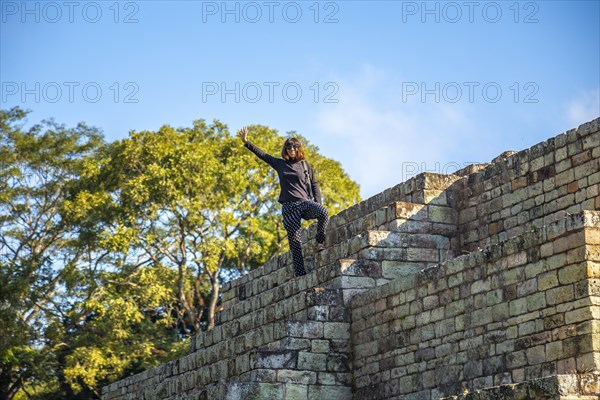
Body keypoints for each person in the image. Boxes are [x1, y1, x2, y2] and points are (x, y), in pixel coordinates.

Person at [238, 127, 329, 277]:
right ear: (285, 149)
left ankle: (319, 241)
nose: (292, 149)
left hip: (304, 203)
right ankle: (301, 275)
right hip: (289, 207)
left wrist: (318, 202)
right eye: (289, 147)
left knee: (323, 212)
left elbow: (314, 185)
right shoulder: (280, 164)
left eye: (295, 147)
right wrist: (247, 143)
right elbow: (264, 156)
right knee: (295, 243)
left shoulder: (305, 165)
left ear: (299, 148)